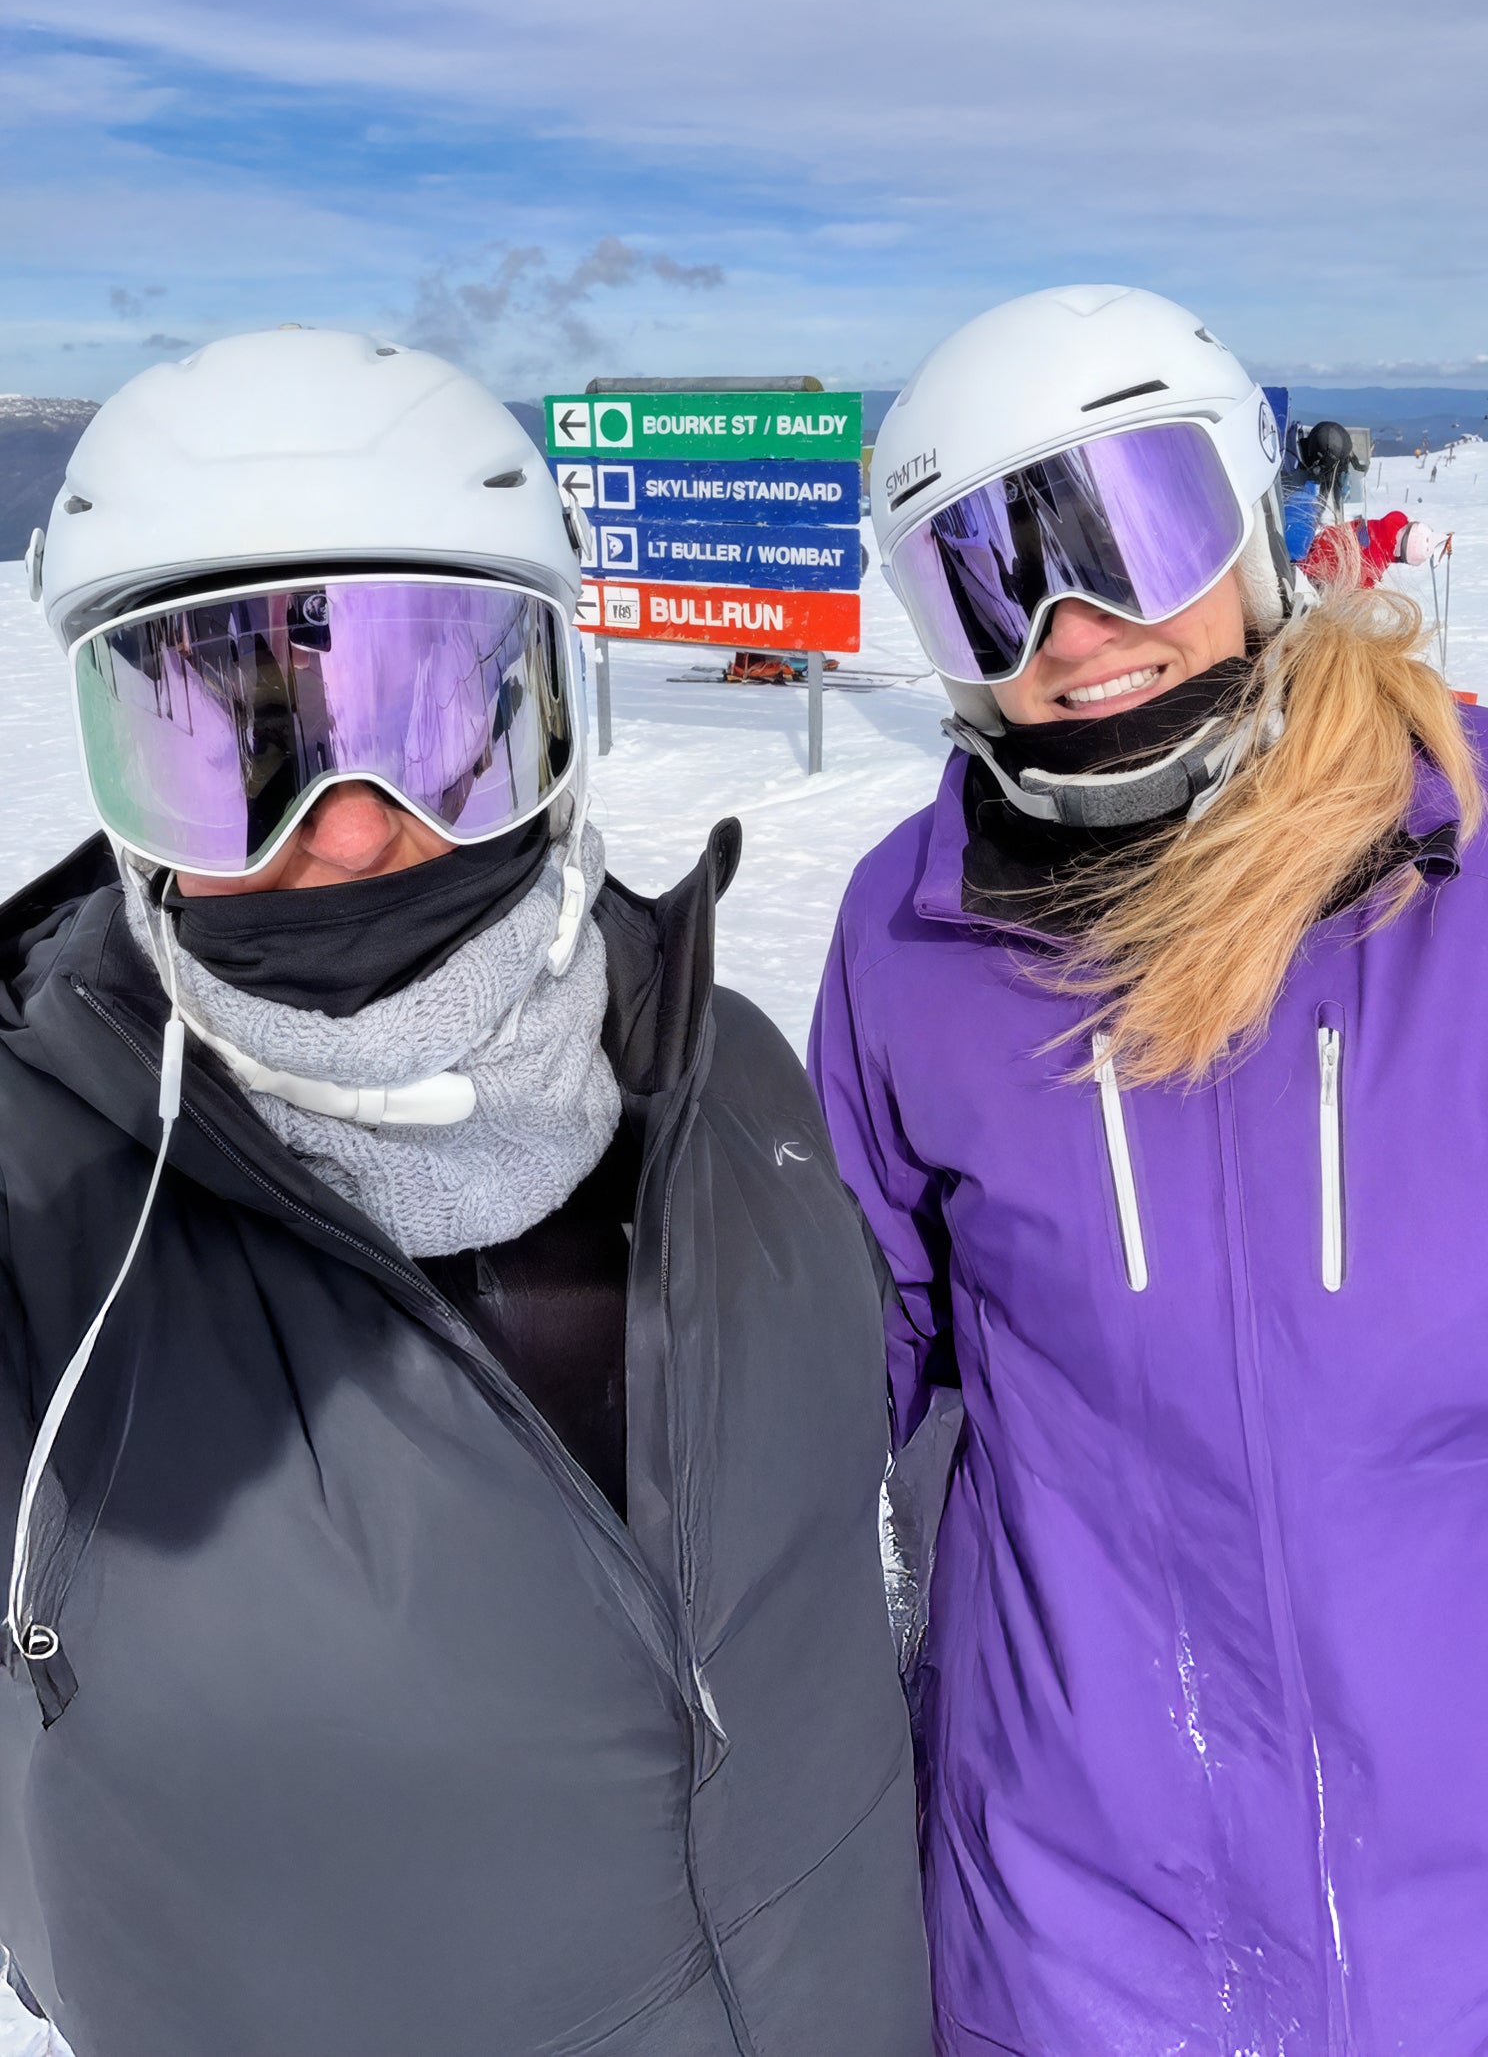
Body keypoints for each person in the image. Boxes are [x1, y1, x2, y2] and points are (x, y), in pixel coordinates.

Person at [0, 327, 932, 2057]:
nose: (350, 832)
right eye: (235, 749)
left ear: (549, 722)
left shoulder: (728, 1078)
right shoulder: (54, 1215)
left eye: (434, 724)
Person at [812, 282, 1488, 2057]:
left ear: (1254, 518)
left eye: (1133, 524)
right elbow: (823, 1386)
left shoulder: (1464, 856)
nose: (1077, 620)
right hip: (1078, 1965)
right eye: (991, 567)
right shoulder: (912, 943)